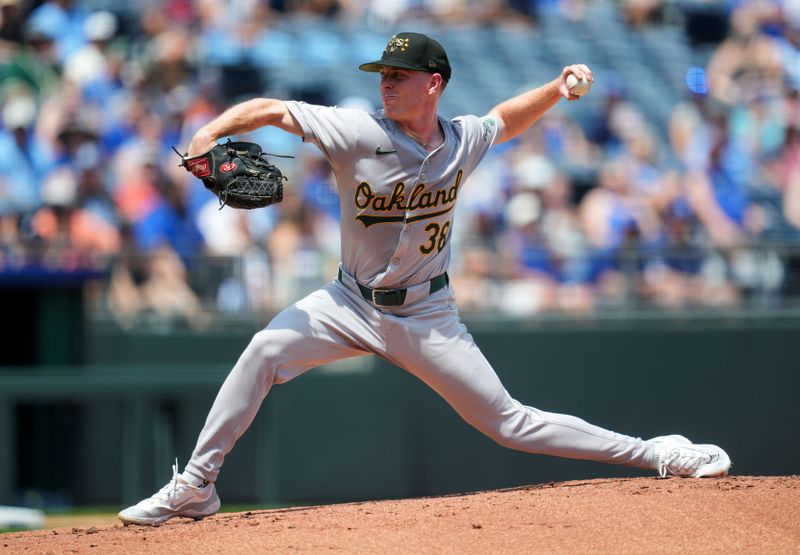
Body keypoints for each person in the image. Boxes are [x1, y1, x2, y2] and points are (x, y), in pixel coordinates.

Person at [118, 32, 731, 526]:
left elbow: (502, 120)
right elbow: (274, 110)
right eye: (381, 74)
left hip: (426, 315)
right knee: (263, 349)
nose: (385, 83)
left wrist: (555, 88)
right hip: (348, 301)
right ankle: (197, 486)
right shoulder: (357, 131)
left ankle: (659, 452)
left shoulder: (461, 140)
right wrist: (210, 133)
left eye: (398, 76)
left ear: (432, 85)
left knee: (509, 423)